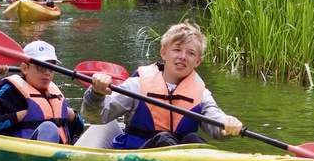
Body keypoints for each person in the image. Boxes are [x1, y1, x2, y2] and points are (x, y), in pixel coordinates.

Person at [81, 21, 243, 149]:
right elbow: (96, 116)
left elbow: (214, 119)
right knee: (164, 138)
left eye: (191, 53)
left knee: (194, 140)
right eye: (177, 50)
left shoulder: (201, 94)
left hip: (183, 158)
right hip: (138, 156)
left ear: (198, 61)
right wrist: (96, 94)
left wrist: (226, 124)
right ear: (164, 53)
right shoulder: (137, 86)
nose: (183, 57)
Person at [0, 40, 84, 144]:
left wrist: (71, 115)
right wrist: (21, 116)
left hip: (60, 152)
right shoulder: (11, 91)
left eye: (51, 68)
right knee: (49, 128)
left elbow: (79, 128)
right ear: (25, 68)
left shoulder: (54, 94)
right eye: (41, 67)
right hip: (23, 153)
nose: (47, 73)